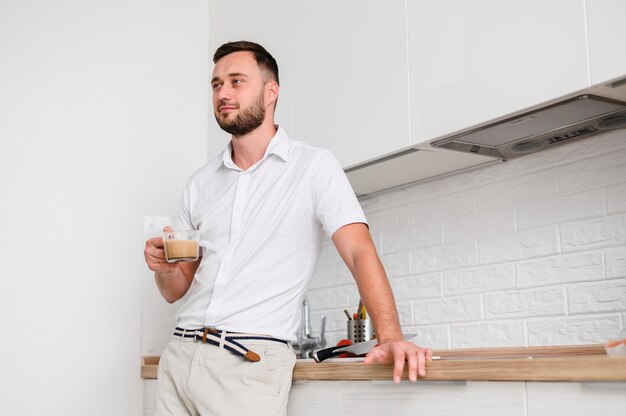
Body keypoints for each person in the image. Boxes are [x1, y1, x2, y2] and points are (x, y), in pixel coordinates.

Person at [144, 40, 433, 416]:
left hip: (246, 364)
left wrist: (390, 335)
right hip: (179, 357)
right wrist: (165, 271)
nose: (223, 93)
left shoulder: (313, 166)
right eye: (216, 84)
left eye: (236, 81)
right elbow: (174, 290)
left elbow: (360, 251)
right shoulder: (200, 183)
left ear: (270, 92)